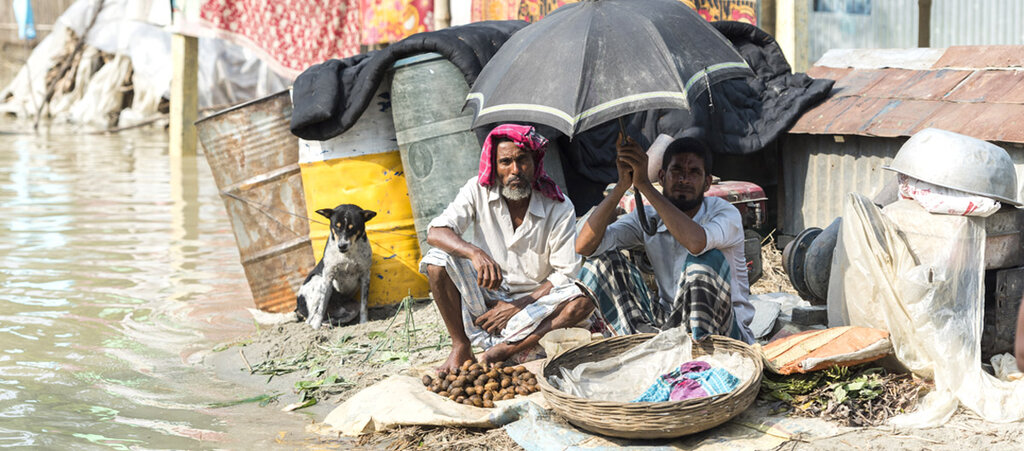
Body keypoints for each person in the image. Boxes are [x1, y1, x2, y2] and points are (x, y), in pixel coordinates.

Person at [421, 124, 594, 373]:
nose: (515, 170)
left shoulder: (558, 206)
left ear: (535, 162)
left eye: (522, 160)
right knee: (437, 261)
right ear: (494, 166)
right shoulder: (477, 190)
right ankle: (460, 345)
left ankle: (507, 350)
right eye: (505, 162)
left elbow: (565, 275)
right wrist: (474, 252)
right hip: (487, 301)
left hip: (536, 303)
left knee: (583, 299)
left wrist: (518, 305)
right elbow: (436, 232)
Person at [575, 134, 755, 343]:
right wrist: (623, 184)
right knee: (602, 263)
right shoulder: (650, 216)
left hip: (724, 330)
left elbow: (696, 243)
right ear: (662, 177)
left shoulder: (724, 213)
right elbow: (584, 246)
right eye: (676, 171)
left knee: (702, 263)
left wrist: (645, 186)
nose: (684, 180)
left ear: (707, 183)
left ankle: (700, 356)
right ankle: (640, 345)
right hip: (669, 322)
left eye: (694, 173)